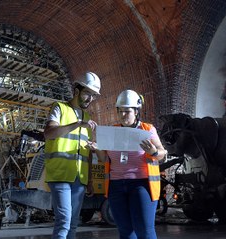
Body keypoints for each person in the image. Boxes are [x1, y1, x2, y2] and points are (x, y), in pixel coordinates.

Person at [87, 89, 166, 239]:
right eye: (120, 111)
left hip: (141, 185)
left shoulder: (147, 130)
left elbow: (162, 153)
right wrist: (97, 149)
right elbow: (104, 159)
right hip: (116, 187)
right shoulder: (113, 131)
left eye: (127, 111)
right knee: (126, 232)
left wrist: (154, 151)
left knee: (145, 231)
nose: (123, 115)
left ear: (136, 111)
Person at [44, 72, 101, 239]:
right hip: (60, 174)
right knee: (64, 221)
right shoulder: (59, 108)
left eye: (93, 96)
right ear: (76, 90)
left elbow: (87, 153)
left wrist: (90, 180)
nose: (90, 99)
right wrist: (77, 124)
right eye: (87, 93)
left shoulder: (88, 118)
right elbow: (49, 133)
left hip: (80, 178)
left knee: (74, 223)